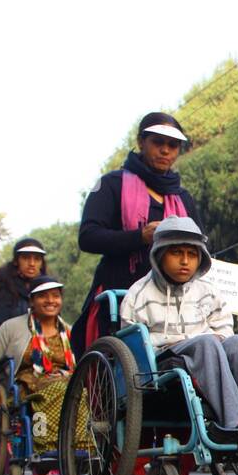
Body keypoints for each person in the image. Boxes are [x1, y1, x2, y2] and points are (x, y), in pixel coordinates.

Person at [121, 216, 238, 475]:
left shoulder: (208, 290)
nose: (185, 261)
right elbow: (132, 340)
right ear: (159, 255)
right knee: (207, 343)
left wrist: (221, 342)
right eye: (176, 253)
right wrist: (198, 342)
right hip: (162, 362)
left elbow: (222, 327)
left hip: (208, 353)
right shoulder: (139, 294)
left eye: (192, 254)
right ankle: (233, 421)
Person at [73, 112, 199, 355]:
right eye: (158, 142)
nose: (165, 151)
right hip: (120, 295)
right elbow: (88, 236)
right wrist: (139, 237)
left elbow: (201, 248)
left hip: (171, 302)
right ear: (141, 142)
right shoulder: (112, 184)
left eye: (172, 145)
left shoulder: (184, 199)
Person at [0, 276, 84, 475]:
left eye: (55, 296)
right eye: (43, 296)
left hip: (66, 382)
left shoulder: (70, 331)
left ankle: (81, 447)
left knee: (81, 392)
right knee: (55, 391)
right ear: (31, 301)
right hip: (28, 387)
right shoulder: (12, 328)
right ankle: (46, 447)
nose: (50, 301)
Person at [0, 239, 48, 343]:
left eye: (37, 259)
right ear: (16, 260)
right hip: (1, 350)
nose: (32, 263)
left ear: (42, 263)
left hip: (38, 351)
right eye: (26, 258)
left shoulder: (48, 288)